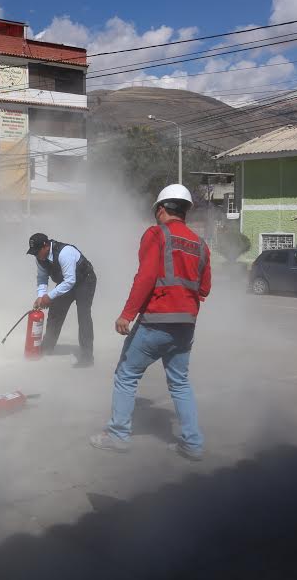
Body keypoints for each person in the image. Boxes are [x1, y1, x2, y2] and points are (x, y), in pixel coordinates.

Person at [90, 184, 211, 461]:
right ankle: (192, 443)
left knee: (126, 375)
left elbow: (145, 276)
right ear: (185, 212)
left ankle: (118, 435)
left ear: (160, 210)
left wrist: (127, 314)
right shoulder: (201, 244)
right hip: (186, 323)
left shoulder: (157, 234)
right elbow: (204, 289)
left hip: (157, 320)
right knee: (180, 383)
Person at [26, 232, 97, 368]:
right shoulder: (40, 258)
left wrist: (49, 296)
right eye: (33, 252)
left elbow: (70, 281)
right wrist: (41, 296)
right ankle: (47, 348)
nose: (36, 255)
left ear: (46, 246)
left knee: (83, 316)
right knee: (55, 312)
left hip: (85, 281)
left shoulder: (65, 253)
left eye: (37, 251)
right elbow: (42, 278)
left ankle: (87, 357)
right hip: (66, 283)